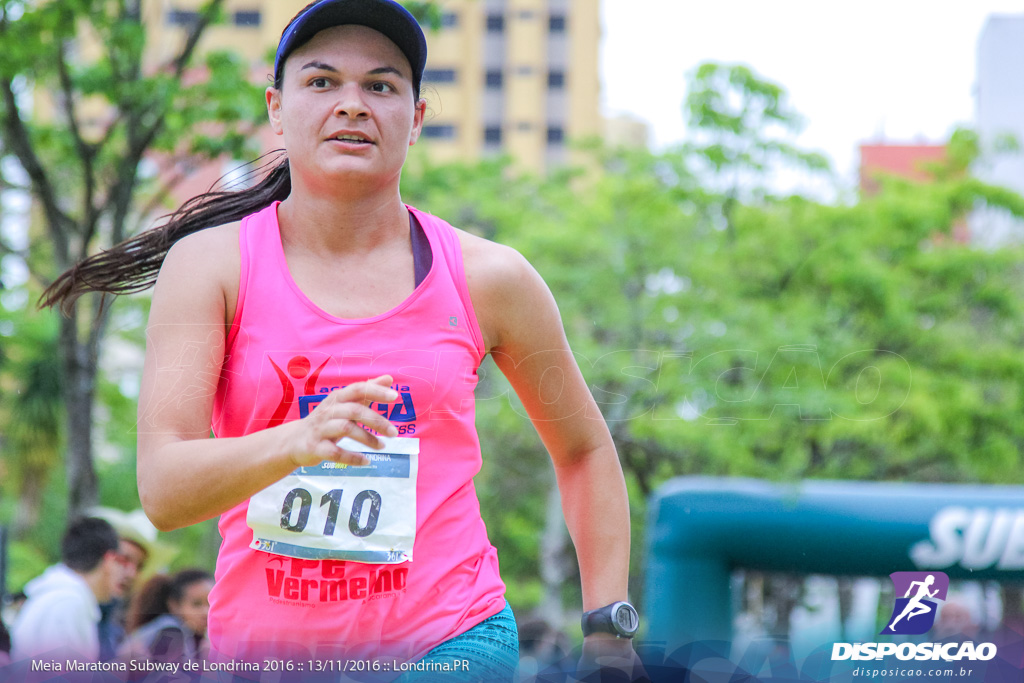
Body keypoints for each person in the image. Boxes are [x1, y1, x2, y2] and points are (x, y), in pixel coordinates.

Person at [40, 0, 639, 678]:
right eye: (322, 82)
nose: (352, 104)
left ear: (414, 120)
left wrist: (608, 630)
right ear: (276, 107)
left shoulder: (491, 277)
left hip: (450, 643)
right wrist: (296, 441)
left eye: (380, 86)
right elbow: (164, 487)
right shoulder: (211, 265)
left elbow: (584, 448)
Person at [10, 517, 127, 661]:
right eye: (121, 562)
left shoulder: (61, 596)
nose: (126, 573)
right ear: (109, 560)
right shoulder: (68, 602)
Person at [119, 569, 213, 668]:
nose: (205, 612)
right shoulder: (171, 632)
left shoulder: (194, 637)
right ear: (175, 605)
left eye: (211, 604)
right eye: (196, 604)